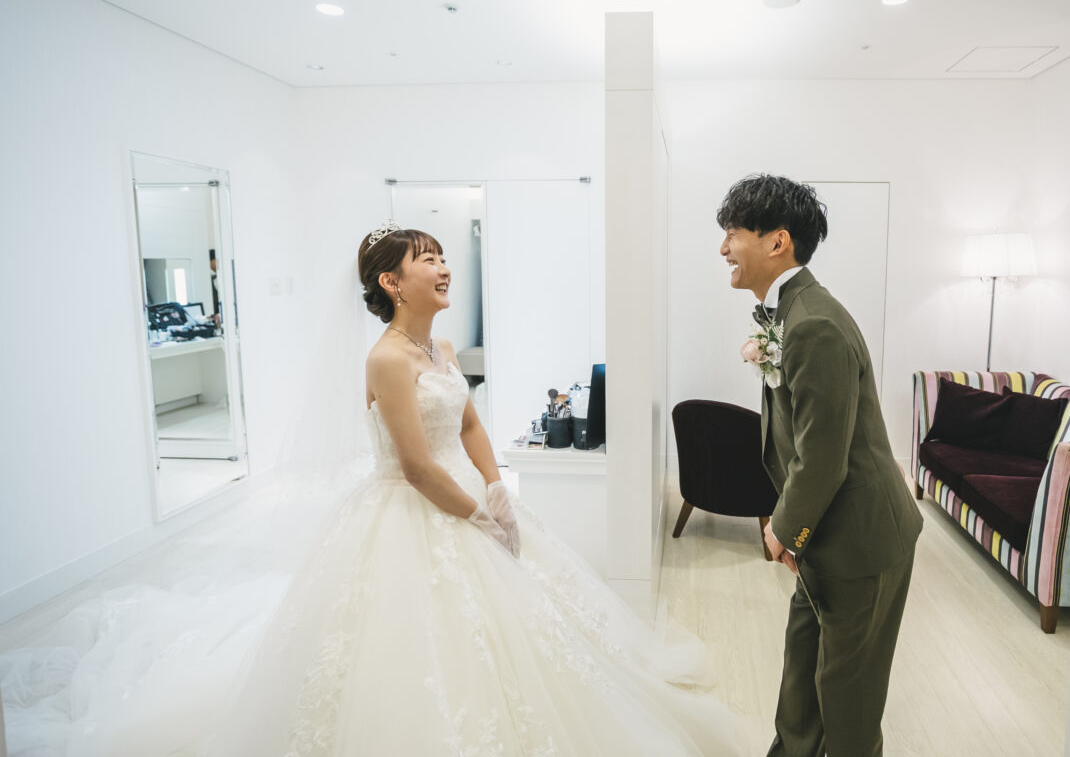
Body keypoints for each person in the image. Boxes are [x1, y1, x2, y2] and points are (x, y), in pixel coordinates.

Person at [0, 223, 742, 757]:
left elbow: (470, 421)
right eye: (428, 259)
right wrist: (479, 518)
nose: (444, 268)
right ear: (392, 282)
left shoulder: (439, 346)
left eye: (443, 256)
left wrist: (496, 484)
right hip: (412, 509)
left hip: (465, 492)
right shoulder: (387, 359)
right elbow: (415, 467)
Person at [718, 176, 923, 757]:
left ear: (777, 241)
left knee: (848, 705)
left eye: (733, 233)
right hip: (829, 532)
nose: (724, 248)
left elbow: (822, 457)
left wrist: (784, 530)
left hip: (861, 542)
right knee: (801, 686)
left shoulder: (812, 324)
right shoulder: (790, 312)